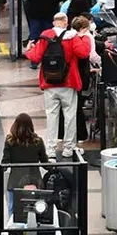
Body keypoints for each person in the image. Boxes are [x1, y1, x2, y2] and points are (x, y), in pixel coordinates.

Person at [27, 13, 93, 158]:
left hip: (49, 83)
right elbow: (83, 53)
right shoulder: (71, 36)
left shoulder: (45, 35)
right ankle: (69, 148)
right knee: (70, 116)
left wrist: (29, 49)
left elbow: (36, 57)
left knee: (51, 116)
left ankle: (50, 150)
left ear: (53, 22)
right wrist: (86, 37)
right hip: (69, 82)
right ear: (65, 22)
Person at [2, 112, 50, 209]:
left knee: (14, 213)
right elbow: (45, 164)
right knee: (38, 211)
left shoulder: (10, 141)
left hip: (15, 183)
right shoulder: (38, 141)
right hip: (35, 183)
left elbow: (5, 164)